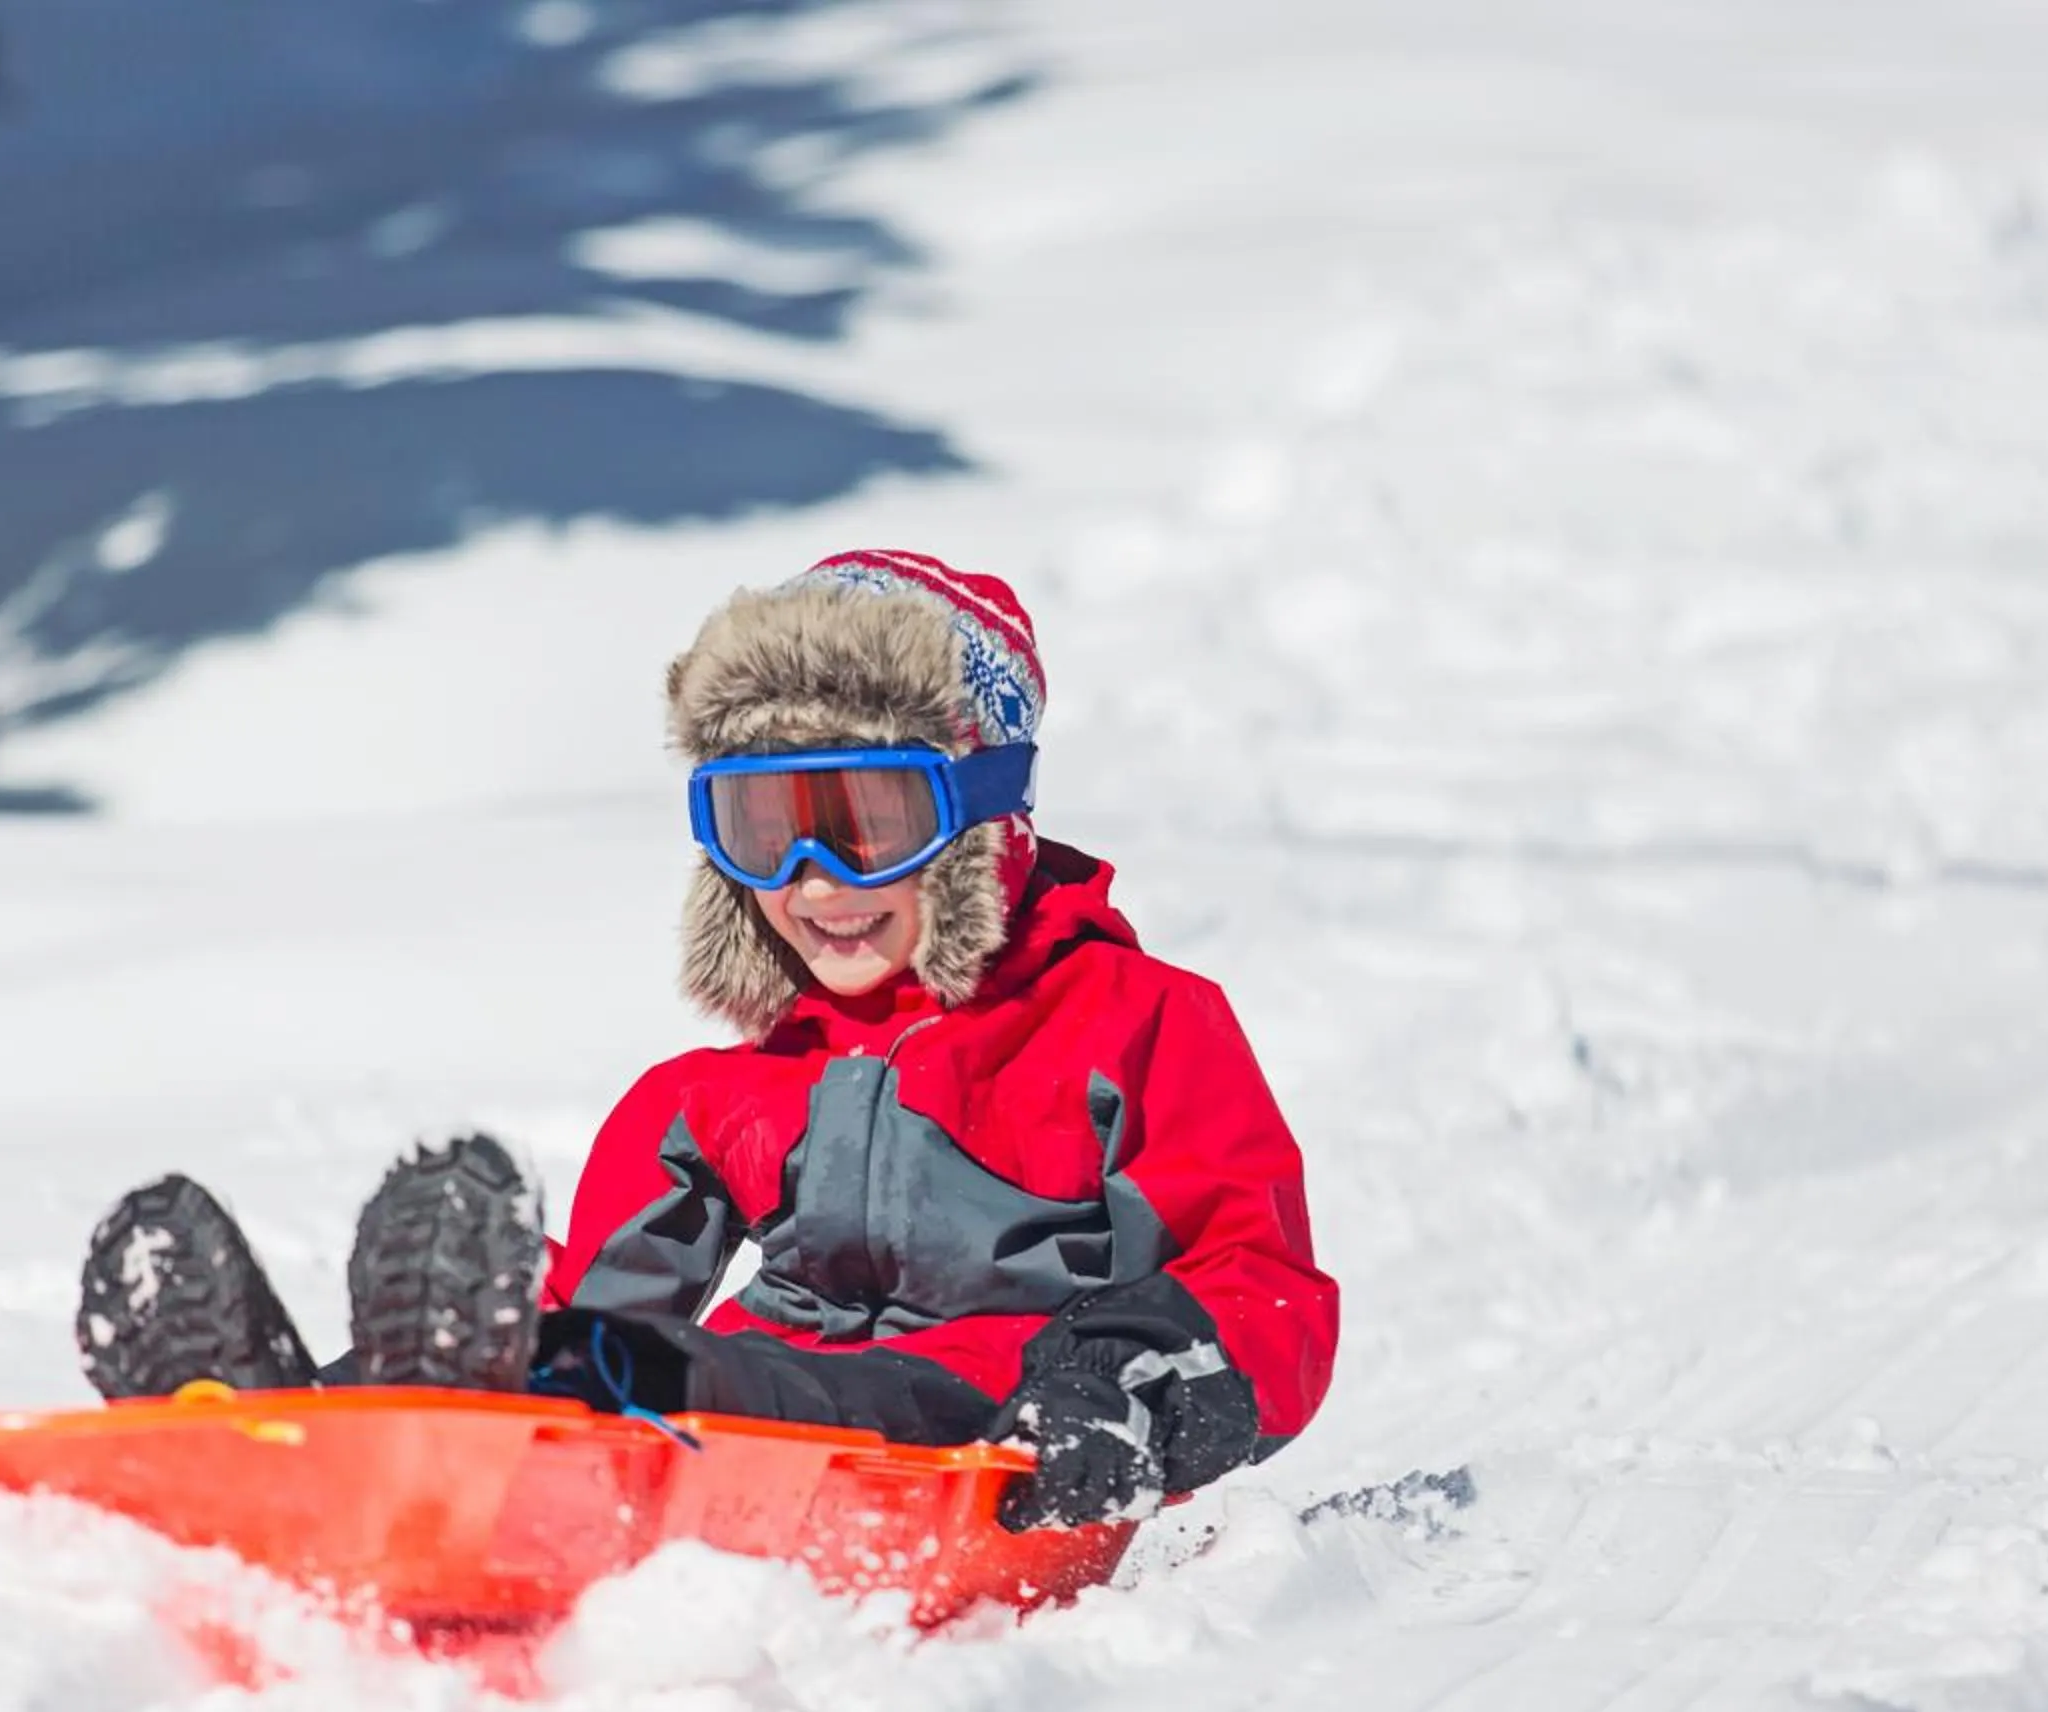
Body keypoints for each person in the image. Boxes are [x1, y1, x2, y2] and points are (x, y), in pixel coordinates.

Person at [71, 551, 1339, 1528]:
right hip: (750, 1407)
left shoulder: (1136, 1022)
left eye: (866, 818)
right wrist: (502, 1335)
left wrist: (1123, 1381)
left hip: (985, 1425)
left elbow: (1261, 1282)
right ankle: (288, 1417)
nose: (813, 876)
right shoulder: (725, 1093)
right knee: (591, 1358)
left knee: (679, 1383)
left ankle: (466, 1417)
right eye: (759, 823)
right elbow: (601, 1293)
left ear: (983, 821)